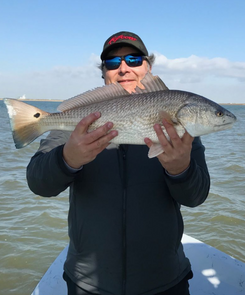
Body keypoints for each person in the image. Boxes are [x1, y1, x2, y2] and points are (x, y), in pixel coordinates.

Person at [27, 31, 210, 295]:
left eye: (134, 59)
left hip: (165, 281)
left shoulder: (178, 124)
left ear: (148, 67)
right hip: (88, 283)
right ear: (104, 74)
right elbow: (38, 182)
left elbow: (196, 196)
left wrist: (181, 169)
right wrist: (67, 159)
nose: (123, 68)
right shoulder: (78, 121)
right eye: (112, 63)